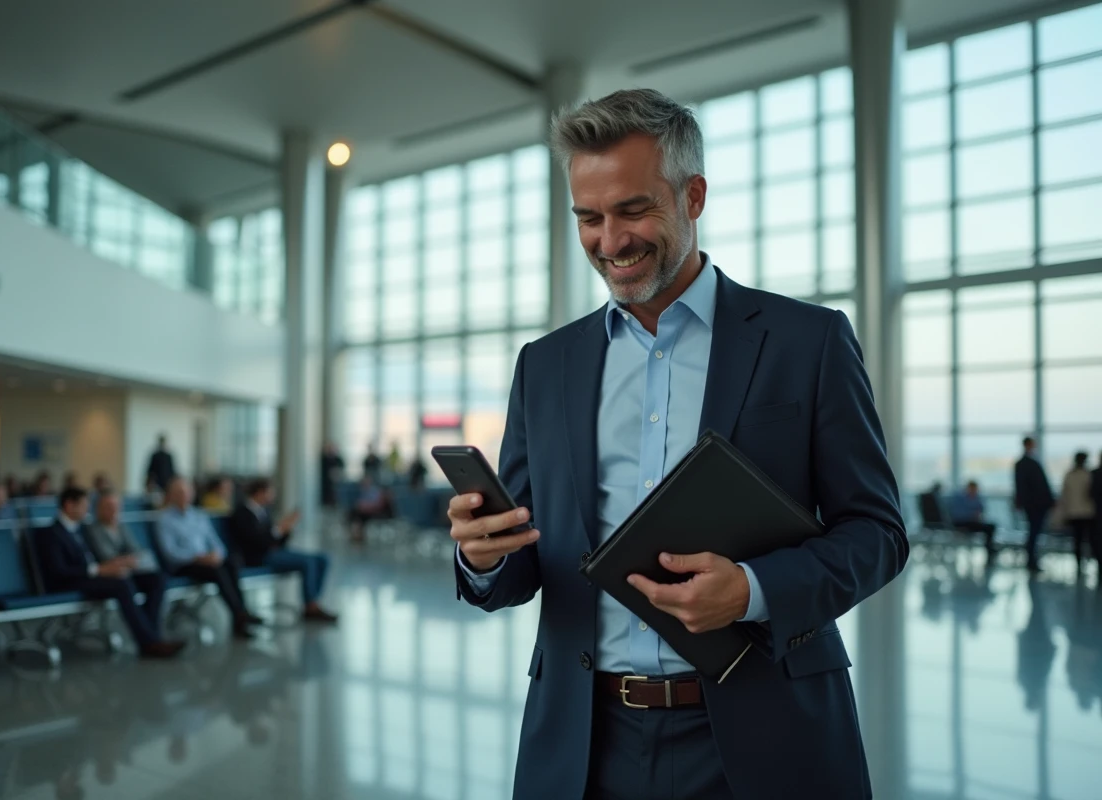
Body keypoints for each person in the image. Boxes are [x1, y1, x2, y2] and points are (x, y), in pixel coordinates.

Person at [447, 90, 907, 800]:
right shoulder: (546, 365)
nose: (610, 242)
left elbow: (877, 534)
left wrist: (752, 591)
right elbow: (523, 564)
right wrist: (484, 557)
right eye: (588, 218)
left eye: (633, 210)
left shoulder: (807, 342)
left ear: (693, 196)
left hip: (770, 731)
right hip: (583, 743)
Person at [33, 487, 184, 659]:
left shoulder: (80, 529)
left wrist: (109, 568)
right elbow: (58, 571)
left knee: (155, 580)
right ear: (69, 505)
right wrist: (99, 569)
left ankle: (153, 637)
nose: (87, 510)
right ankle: (149, 643)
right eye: (83, 505)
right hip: (70, 582)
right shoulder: (50, 533)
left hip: (91, 576)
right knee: (122, 584)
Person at [155, 478, 262, 639]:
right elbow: (170, 553)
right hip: (185, 564)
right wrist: (198, 558)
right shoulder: (164, 519)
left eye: (186, 492)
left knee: (231, 563)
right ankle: (239, 614)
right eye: (179, 493)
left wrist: (216, 554)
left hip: (207, 561)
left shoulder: (199, 515)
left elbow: (216, 543)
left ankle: (241, 613)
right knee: (217, 570)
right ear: (171, 495)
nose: (184, 496)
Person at [228, 478, 337, 623]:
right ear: (260, 493)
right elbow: (256, 542)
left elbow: (274, 539)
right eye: (270, 492)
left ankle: (313, 602)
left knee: (322, 559)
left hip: (273, 551)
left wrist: (285, 530)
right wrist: (278, 530)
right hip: (258, 556)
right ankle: (310, 606)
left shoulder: (262, 511)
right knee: (308, 562)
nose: (273, 496)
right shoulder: (242, 513)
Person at [83, 488, 170, 622]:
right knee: (125, 586)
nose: (114, 510)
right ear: (98, 509)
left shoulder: (121, 527)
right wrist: (128, 560)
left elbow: (136, 551)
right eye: (109, 507)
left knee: (157, 579)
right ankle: (145, 630)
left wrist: (127, 561)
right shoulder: (92, 530)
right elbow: (107, 557)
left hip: (129, 572)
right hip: (111, 576)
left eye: (116, 507)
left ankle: (151, 625)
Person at [1015, 436, 1055, 572]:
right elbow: (1027, 486)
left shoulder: (1025, 463)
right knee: (1034, 532)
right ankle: (1031, 560)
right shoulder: (1027, 463)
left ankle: (1032, 559)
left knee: (1034, 532)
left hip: (1034, 504)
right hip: (1035, 504)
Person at [1062, 452, 1096, 573]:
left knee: (1077, 539)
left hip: (1073, 512)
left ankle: (1079, 564)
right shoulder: (1088, 475)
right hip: (1087, 512)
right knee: (1090, 539)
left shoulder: (1069, 475)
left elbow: (1065, 495)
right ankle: (1090, 562)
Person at [948, 480, 997, 556]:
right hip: (962, 522)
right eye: (972, 489)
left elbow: (981, 510)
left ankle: (989, 547)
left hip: (971, 522)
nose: (974, 491)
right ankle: (989, 548)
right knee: (989, 527)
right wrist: (971, 515)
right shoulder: (960, 498)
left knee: (991, 526)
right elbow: (956, 514)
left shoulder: (976, 498)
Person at [320, 443, 345, 508]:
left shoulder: (339, 460)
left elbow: (341, 472)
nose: (331, 450)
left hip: (337, 484)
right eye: (330, 449)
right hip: (326, 485)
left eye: (333, 449)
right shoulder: (324, 460)